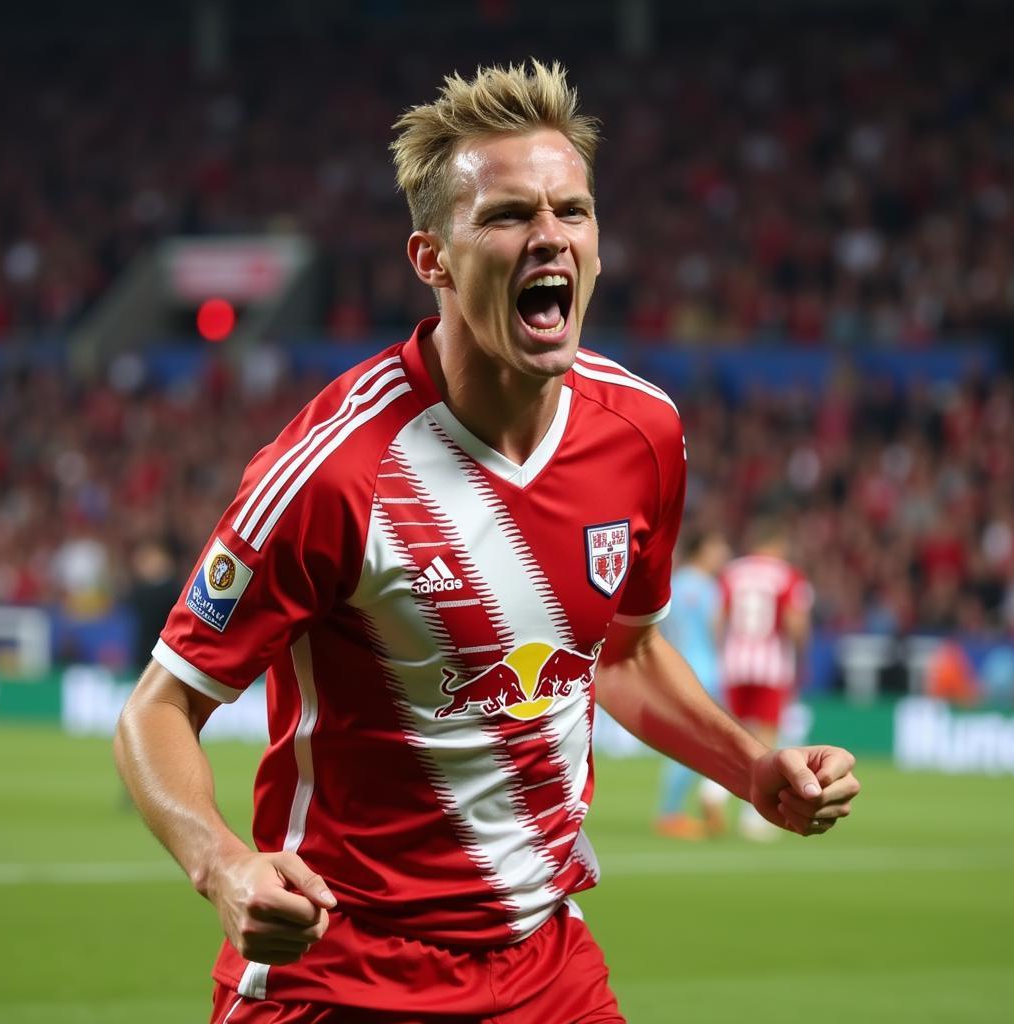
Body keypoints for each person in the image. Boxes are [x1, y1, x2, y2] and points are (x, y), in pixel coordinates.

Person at [114, 61, 860, 1024]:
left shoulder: (643, 432)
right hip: (340, 968)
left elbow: (621, 655)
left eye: (573, 210)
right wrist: (222, 868)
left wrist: (751, 769)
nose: (550, 234)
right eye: (508, 214)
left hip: (543, 965)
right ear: (432, 259)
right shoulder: (332, 471)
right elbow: (158, 708)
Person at [717, 518, 815, 839]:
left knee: (735, 731)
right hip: (771, 665)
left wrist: (725, 651)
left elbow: (718, 620)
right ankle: (753, 813)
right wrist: (801, 656)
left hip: (736, 662)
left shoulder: (733, 571)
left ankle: (714, 789)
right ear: (777, 544)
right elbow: (795, 623)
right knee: (766, 739)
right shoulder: (788, 575)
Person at [654, 527, 730, 839]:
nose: (723, 554)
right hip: (707, 671)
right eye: (718, 547)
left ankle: (675, 809)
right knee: (696, 743)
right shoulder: (710, 589)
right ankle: (670, 813)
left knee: (687, 741)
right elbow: (717, 630)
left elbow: (661, 627)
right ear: (704, 550)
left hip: (678, 667)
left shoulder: (674, 582)